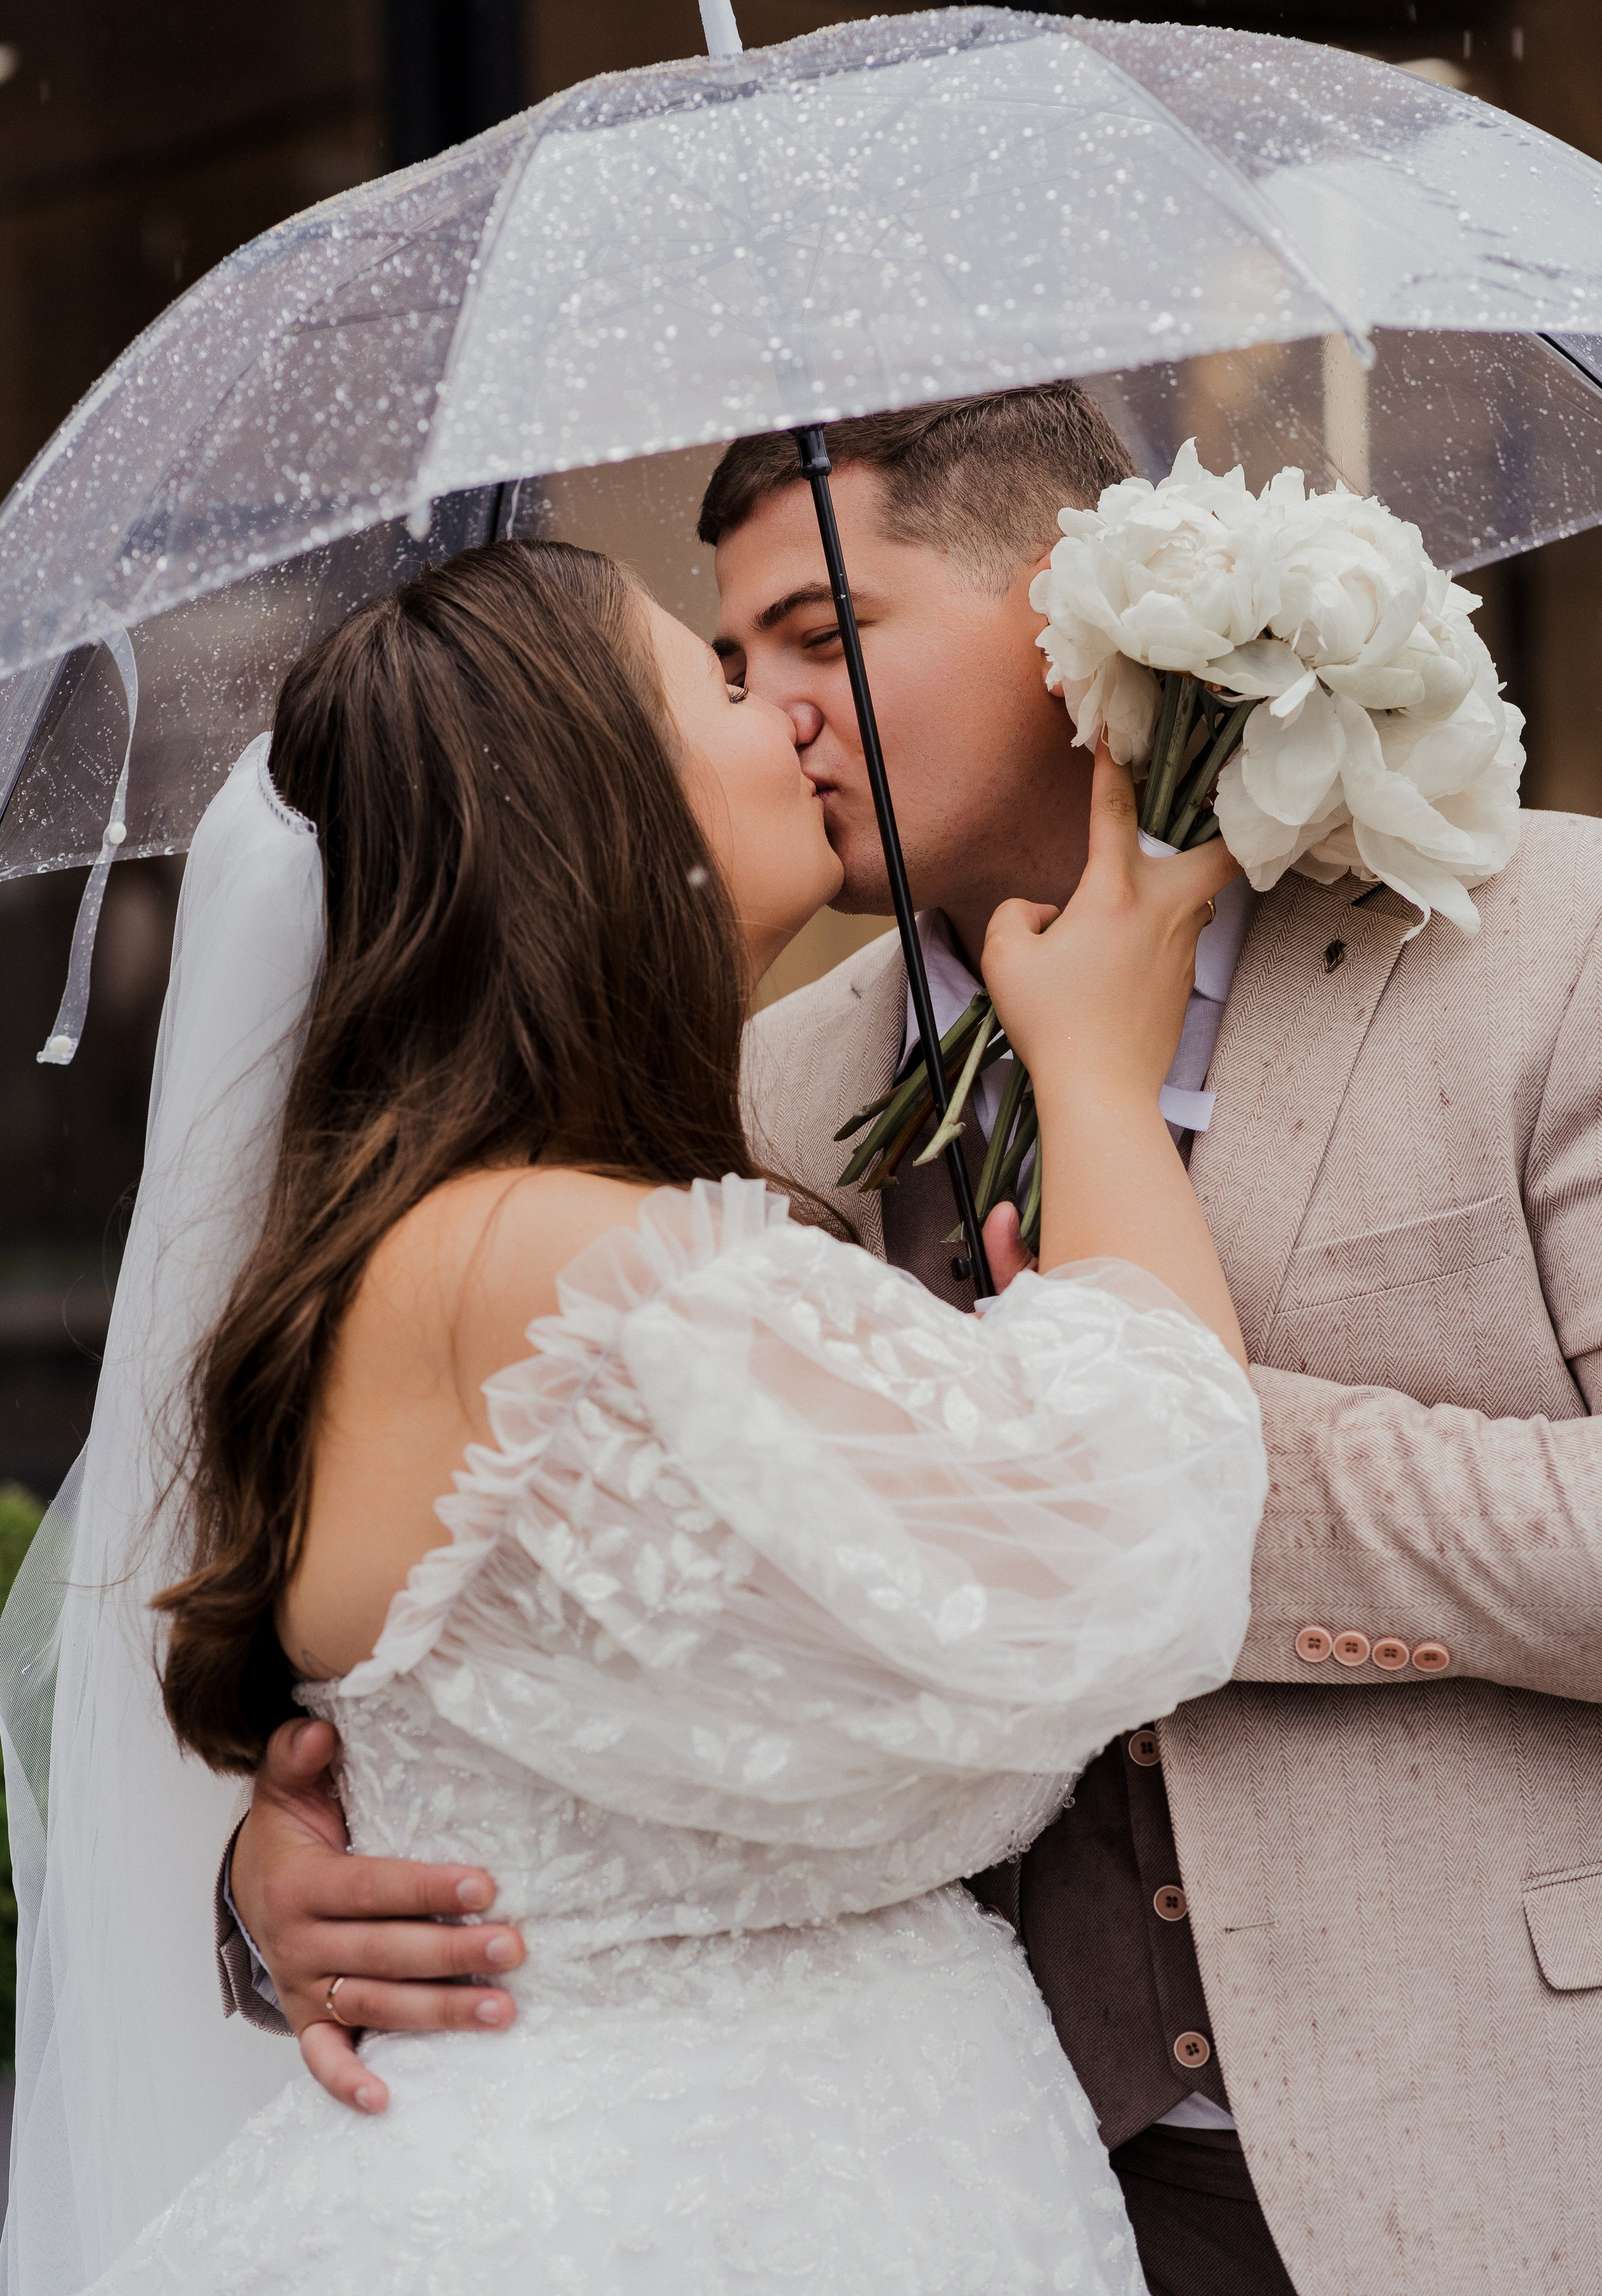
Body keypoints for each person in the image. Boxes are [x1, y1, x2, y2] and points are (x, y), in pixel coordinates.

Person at [232, 385, 1602, 2296]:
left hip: (1482, 2153)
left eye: (825, 636)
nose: (780, 709)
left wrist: (1164, 1445)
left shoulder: (1551, 942)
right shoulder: (744, 1104)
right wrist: (292, 1868)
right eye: (721, 668)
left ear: (1070, 616)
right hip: (942, 2183)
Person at [36, 534, 1265, 2294]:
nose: (786, 718)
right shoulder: (547, 1260)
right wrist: (1091, 1070)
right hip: (697, 2212)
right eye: (722, 683)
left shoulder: (439, 1241)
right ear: (602, 804)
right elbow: (1133, 1539)